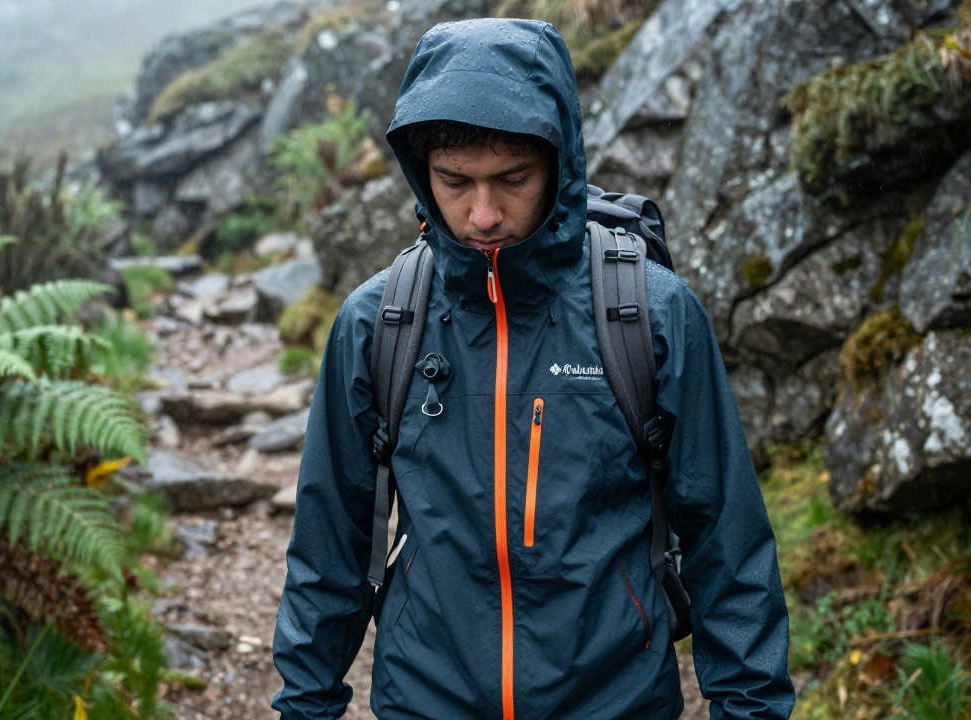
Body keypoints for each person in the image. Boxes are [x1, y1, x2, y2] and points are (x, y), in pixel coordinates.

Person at [272, 17, 794, 720]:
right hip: (428, 698)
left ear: (559, 160)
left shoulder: (648, 313)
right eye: (454, 181)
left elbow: (727, 545)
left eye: (512, 179)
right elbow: (328, 545)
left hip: (616, 702)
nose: (483, 214)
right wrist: (305, 706)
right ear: (421, 173)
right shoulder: (379, 325)